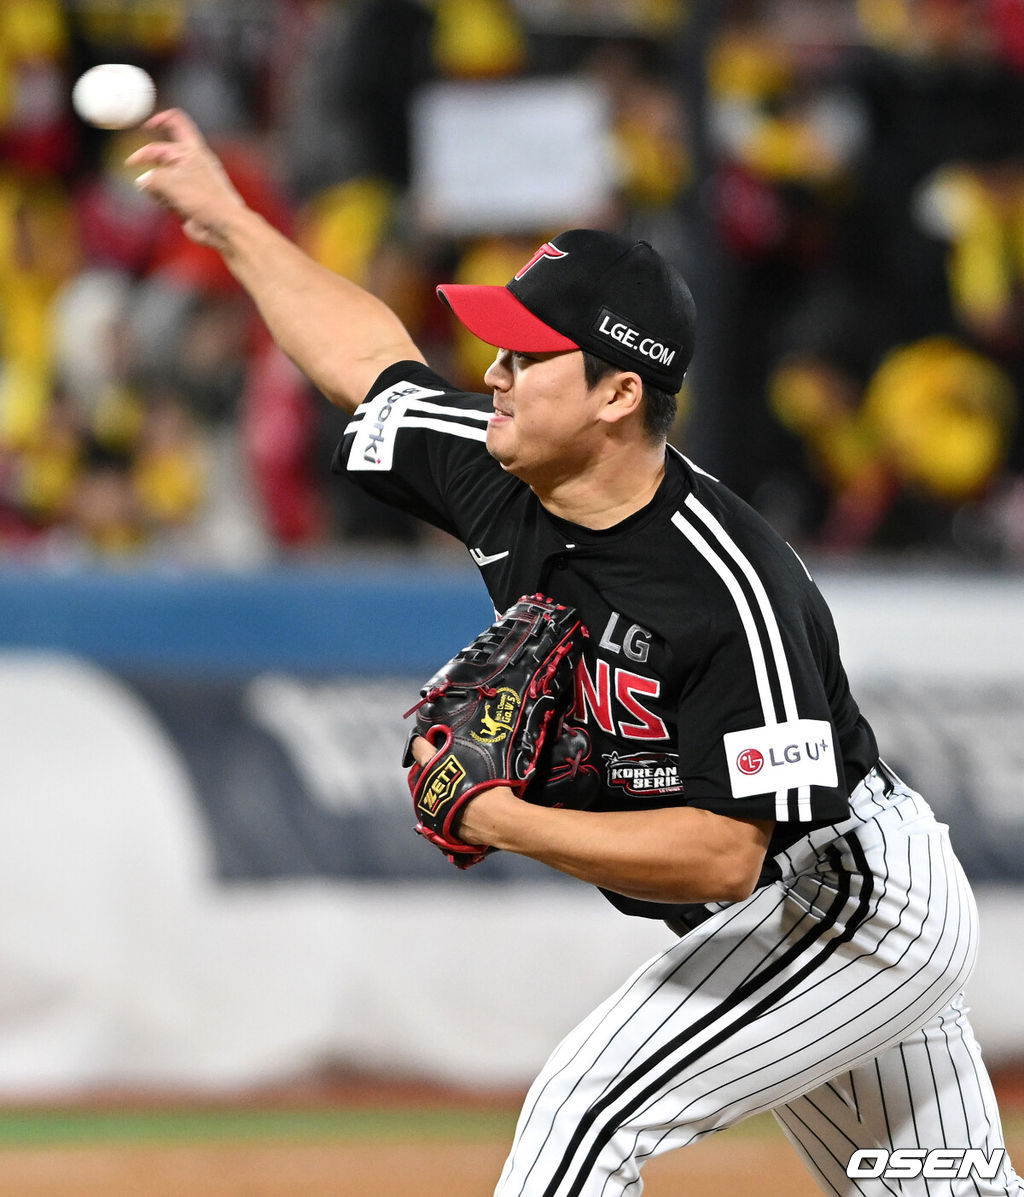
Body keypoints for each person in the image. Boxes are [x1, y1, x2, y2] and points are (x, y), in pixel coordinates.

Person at [129, 110, 1021, 1197]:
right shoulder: (499, 469)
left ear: (616, 393)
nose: (493, 372)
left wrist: (500, 818)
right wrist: (229, 220)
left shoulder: (729, 584)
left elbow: (723, 856)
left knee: (584, 1116)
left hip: (844, 904)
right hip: (776, 918)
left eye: (528, 353)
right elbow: (368, 362)